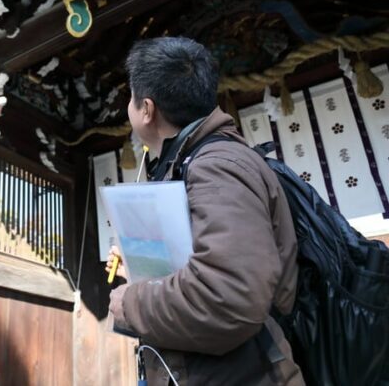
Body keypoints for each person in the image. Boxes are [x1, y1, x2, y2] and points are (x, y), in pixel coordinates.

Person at [106, 37, 304, 385]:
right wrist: (140, 266)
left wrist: (130, 303)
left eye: (131, 96)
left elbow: (229, 293)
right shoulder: (192, 162)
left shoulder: (216, 167)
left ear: (147, 109)